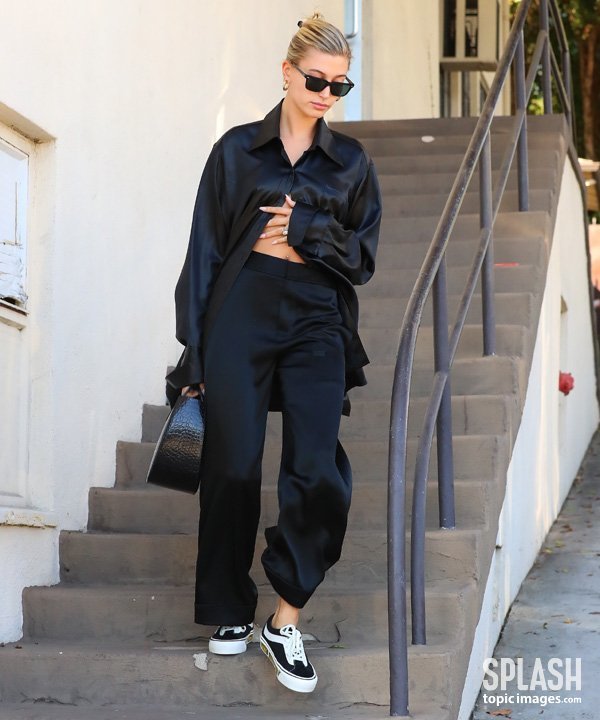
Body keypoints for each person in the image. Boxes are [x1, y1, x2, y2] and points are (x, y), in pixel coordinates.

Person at [164, 13, 382, 694]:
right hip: (243, 305)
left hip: (317, 314)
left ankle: (285, 617)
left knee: (317, 468)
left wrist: (308, 226)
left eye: (340, 86)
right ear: (287, 73)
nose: (325, 94)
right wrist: (195, 352)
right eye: (316, 80)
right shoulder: (236, 151)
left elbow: (363, 257)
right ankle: (230, 606)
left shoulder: (352, 163)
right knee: (231, 464)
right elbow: (204, 251)